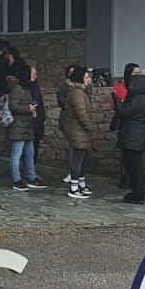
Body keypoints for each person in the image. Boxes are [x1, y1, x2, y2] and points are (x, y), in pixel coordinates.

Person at [114, 72, 145, 204]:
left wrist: (117, 100)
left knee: (134, 165)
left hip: (133, 136)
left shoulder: (137, 99)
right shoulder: (142, 98)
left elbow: (124, 112)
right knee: (134, 164)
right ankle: (137, 191)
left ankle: (138, 193)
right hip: (136, 135)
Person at [4, 71, 46, 192]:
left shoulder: (26, 88)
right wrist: (28, 108)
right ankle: (16, 180)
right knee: (16, 154)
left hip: (27, 126)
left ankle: (31, 177)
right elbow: (14, 106)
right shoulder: (17, 89)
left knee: (30, 153)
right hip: (19, 126)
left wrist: (31, 110)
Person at [59, 65, 95, 199]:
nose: (88, 79)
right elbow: (82, 114)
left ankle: (81, 183)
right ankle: (74, 187)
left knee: (82, 159)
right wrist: (90, 126)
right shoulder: (76, 94)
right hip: (77, 131)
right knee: (77, 159)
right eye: (86, 77)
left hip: (80, 132)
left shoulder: (80, 92)